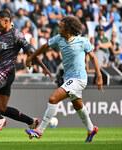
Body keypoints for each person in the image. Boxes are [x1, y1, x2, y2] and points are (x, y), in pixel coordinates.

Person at [25, 15, 103, 143]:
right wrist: (30, 57)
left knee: (53, 98)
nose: (58, 29)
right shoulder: (59, 39)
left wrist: (99, 76)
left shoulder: (82, 41)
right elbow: (44, 47)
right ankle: (91, 129)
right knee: (78, 105)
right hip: (68, 78)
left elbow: (93, 57)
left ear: (68, 29)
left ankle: (39, 131)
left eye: (61, 27)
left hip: (79, 79)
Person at [0, 10, 53, 134]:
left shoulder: (16, 35)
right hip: (0, 71)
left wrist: (43, 67)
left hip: (6, 72)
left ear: (6, 21)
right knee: (1, 108)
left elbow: (31, 52)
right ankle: (31, 121)